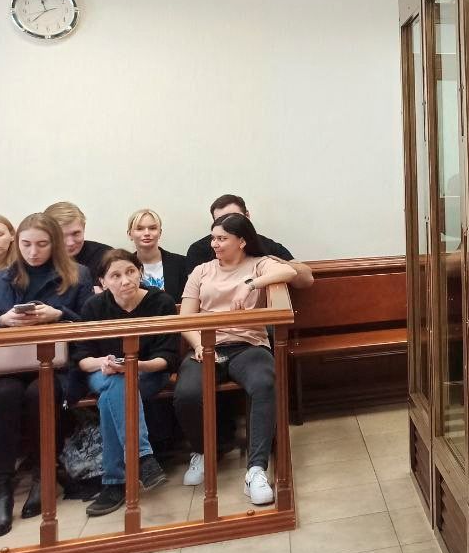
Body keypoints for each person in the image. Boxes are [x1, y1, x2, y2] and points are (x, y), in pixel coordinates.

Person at [174, 213, 297, 505]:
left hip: (248, 345)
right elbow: (185, 318)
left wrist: (250, 284)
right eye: (213, 238)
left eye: (222, 239)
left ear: (241, 241)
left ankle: (256, 469)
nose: (214, 244)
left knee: (264, 384)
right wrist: (199, 345)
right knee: (187, 394)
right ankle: (203, 451)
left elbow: (289, 272)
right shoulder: (201, 271)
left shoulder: (258, 263)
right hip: (206, 345)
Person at [0, 213, 93, 537]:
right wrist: (1, 320)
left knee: (40, 392)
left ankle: (43, 474)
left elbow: (93, 324)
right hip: (10, 363)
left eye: (42, 244)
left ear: (55, 244)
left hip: (59, 365)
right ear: (17, 243)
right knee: (4, 394)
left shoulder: (77, 274)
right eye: (26, 244)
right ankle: (2, 488)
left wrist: (60, 314)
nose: (33, 252)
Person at [72, 250, 178, 516]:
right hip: (103, 371)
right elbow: (82, 359)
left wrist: (133, 365)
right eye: (115, 275)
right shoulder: (93, 307)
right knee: (117, 383)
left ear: (140, 272)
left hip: (147, 372)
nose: (125, 280)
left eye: (130, 272)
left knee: (115, 392)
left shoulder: (160, 302)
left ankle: (115, 483)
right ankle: (143, 458)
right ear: (103, 281)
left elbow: (167, 358)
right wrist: (105, 362)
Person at [183, 194, 313, 289]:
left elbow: (306, 279)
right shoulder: (199, 250)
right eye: (220, 221)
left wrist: (275, 263)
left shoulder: (266, 245)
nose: (228, 226)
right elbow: (196, 292)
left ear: (247, 216)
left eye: (234, 219)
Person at [126, 208, 189, 302]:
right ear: (130, 234)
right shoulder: (123, 267)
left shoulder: (181, 263)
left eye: (152, 228)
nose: (147, 233)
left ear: (160, 233)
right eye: (139, 229)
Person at [44, 201, 111, 278]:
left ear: (83, 227)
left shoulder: (106, 257)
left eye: (76, 233)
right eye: (61, 236)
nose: (70, 243)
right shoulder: (38, 260)